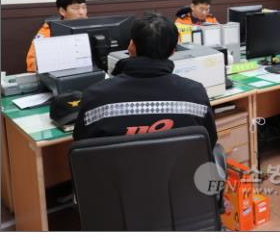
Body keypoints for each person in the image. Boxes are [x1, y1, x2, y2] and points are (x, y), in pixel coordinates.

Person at [73, 13, 217, 145]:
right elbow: (209, 143)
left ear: (131, 46)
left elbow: (81, 147)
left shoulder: (96, 96)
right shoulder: (195, 94)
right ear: (173, 51)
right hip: (179, 166)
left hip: (117, 166)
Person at [25, 0, 88, 72]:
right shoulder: (48, 30)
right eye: (76, 8)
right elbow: (31, 62)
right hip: (60, 73)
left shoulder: (92, 26)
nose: (81, 12)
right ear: (62, 11)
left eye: (84, 7)